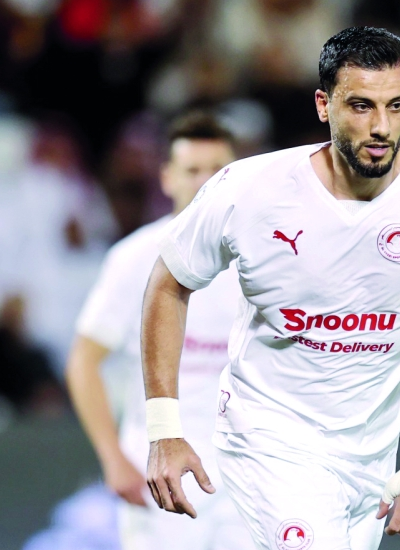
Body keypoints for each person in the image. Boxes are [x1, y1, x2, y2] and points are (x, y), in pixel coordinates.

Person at [140, 27, 400, 550]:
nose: (381, 126)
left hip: (371, 458)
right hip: (268, 440)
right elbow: (168, 284)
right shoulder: (249, 190)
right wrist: (163, 429)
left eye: (396, 106)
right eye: (361, 106)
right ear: (324, 105)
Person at [65, 112, 256, 550]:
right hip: (163, 472)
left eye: (217, 170)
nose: (205, 181)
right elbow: (83, 361)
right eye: (192, 169)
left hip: (246, 472)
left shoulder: (262, 257)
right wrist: (113, 458)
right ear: (167, 178)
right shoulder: (134, 258)